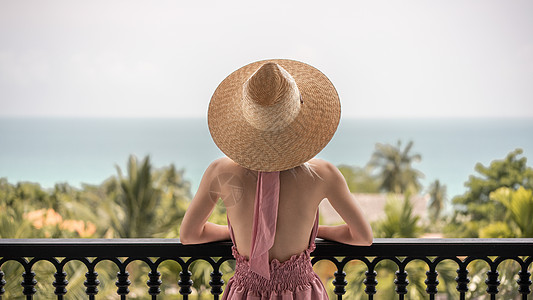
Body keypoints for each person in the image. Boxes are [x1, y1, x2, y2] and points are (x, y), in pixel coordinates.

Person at [180, 59, 373, 299]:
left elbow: (190, 235)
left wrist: (250, 235)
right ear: (299, 112)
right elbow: (362, 237)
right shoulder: (323, 174)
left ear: (246, 116)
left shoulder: (220, 171)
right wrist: (314, 231)